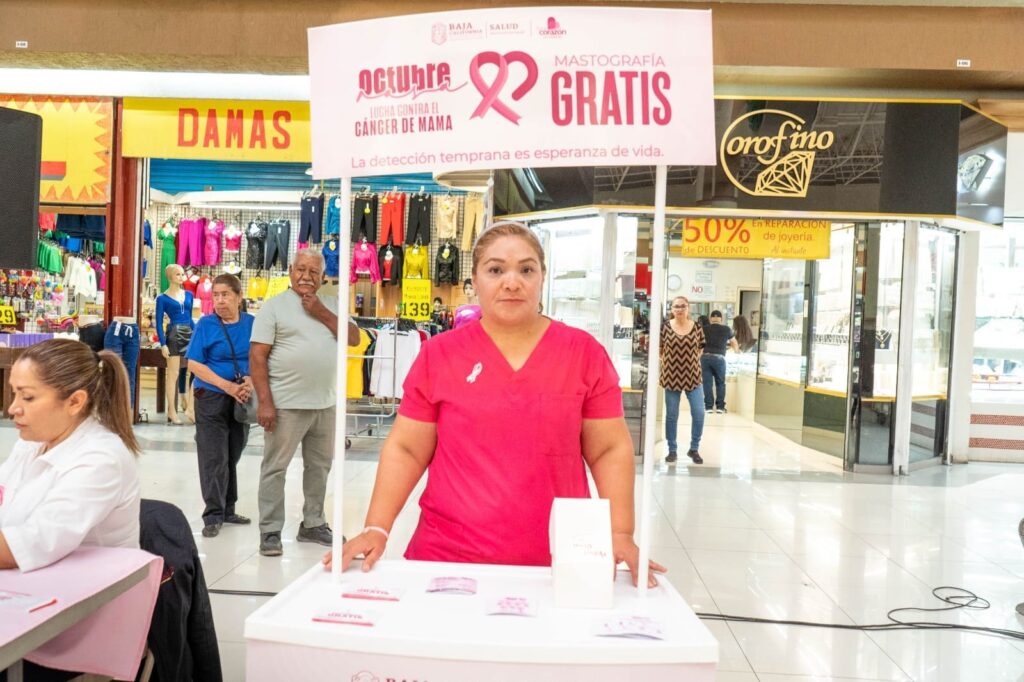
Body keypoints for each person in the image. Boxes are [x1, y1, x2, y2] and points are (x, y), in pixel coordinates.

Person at [326, 222, 666, 588]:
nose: (512, 281)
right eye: (495, 269)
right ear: (475, 279)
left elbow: (609, 449)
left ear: (542, 277)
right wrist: (377, 527)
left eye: (526, 269)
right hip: (447, 559)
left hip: (559, 561)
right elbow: (408, 449)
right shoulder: (439, 354)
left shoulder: (583, 354)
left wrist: (619, 533)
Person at [250, 249, 360, 557]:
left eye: (313, 271)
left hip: (325, 404)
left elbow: (353, 338)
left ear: (323, 275)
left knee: (320, 468)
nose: (306, 277)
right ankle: (270, 530)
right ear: (290, 271)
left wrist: (321, 313)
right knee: (275, 468)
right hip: (285, 404)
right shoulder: (273, 308)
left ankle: (313, 523)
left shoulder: (333, 304)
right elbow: (257, 357)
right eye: (301, 270)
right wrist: (265, 403)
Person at [0, 339, 141, 572]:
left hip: (88, 597)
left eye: (27, 397)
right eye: (15, 393)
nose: (12, 408)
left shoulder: (101, 459)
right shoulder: (33, 443)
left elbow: (28, 545)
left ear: (75, 401)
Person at [186, 274, 255, 538]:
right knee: (214, 456)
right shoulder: (206, 324)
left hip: (241, 398)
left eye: (226, 294)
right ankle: (213, 514)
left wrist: (247, 382)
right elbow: (194, 364)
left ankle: (228, 508)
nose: (220, 300)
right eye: (215, 295)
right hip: (212, 396)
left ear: (239, 297)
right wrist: (228, 387)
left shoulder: (252, 324)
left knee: (232, 454)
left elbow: (259, 358)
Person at [659, 296, 706, 465]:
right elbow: (660, 348)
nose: (679, 309)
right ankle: (672, 450)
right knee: (672, 415)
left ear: (688, 308)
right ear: (672, 309)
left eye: (682, 306)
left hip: (693, 376)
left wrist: (689, 361)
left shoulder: (697, 327)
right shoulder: (665, 327)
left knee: (699, 413)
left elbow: (701, 347)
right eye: (676, 306)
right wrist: (670, 362)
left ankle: (694, 448)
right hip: (671, 376)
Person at [156, 263, 195, 424]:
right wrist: (163, 344)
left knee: (195, 371)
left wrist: (197, 335)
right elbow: (158, 323)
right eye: (178, 274)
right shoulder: (162, 298)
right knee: (173, 375)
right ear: (170, 277)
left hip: (189, 332)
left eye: (182, 274)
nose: (182, 277)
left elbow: (190, 317)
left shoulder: (189, 295)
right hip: (173, 333)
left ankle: (190, 408)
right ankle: (172, 411)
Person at [701, 310, 739, 414]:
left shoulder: (704, 329)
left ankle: (708, 407)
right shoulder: (726, 329)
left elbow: (699, 343)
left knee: (707, 383)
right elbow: (734, 343)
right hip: (719, 359)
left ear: (710, 319)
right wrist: (735, 351)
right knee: (720, 383)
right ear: (721, 319)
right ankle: (720, 407)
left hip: (705, 358)